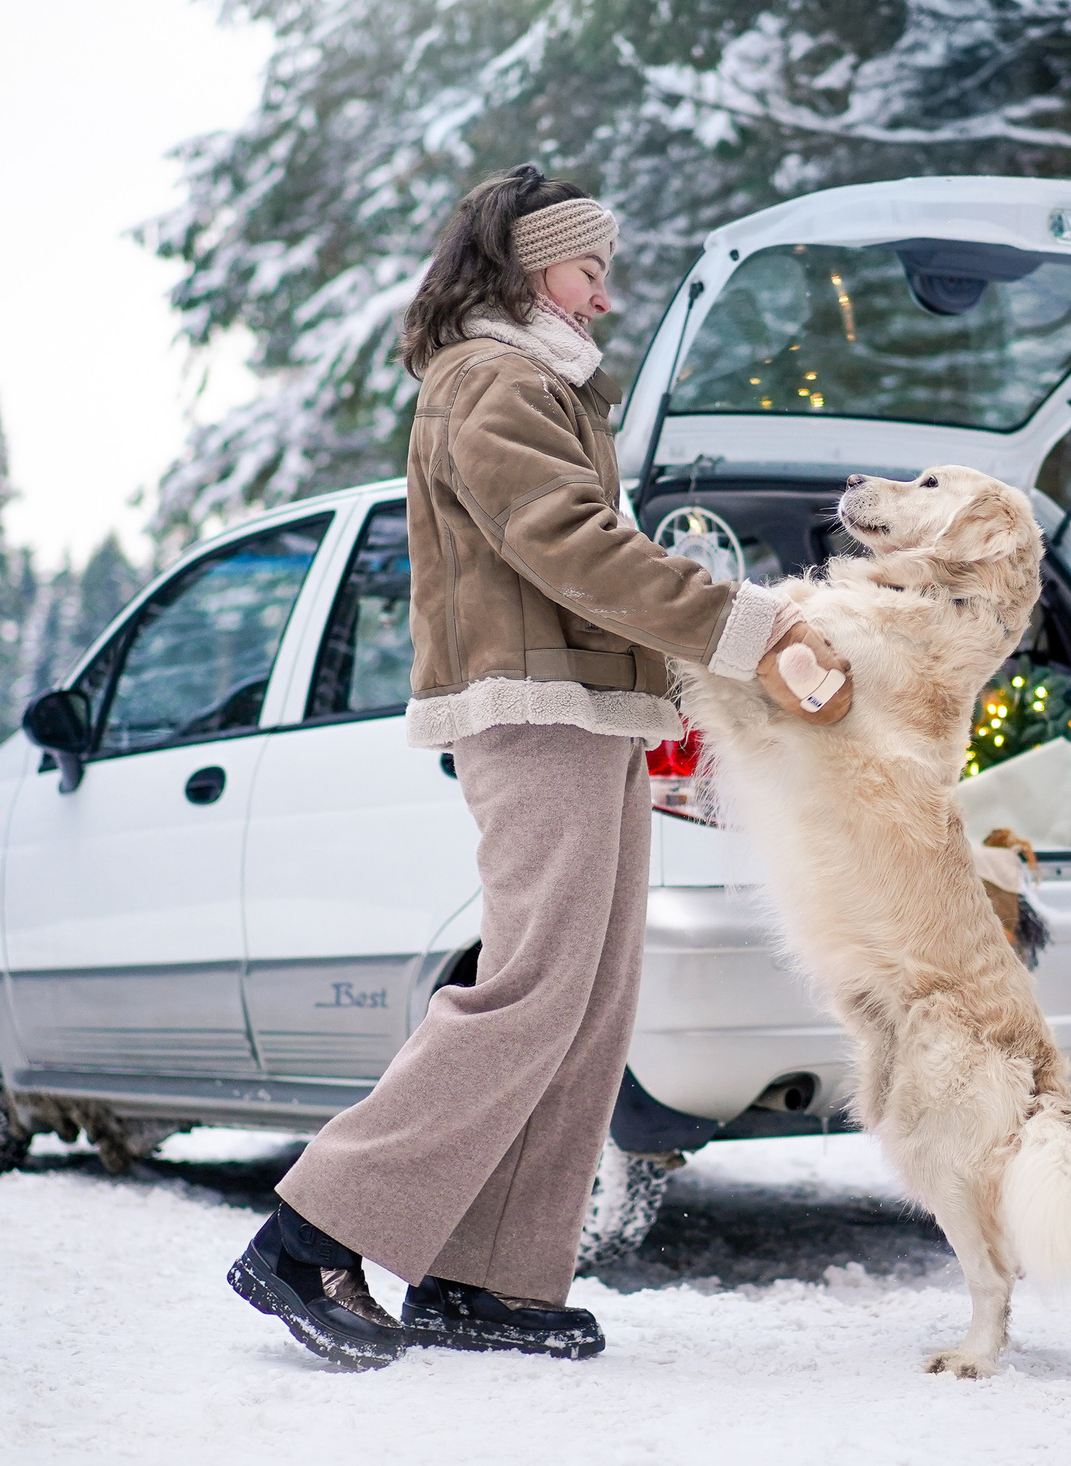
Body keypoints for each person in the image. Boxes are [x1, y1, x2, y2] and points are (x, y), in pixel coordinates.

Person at [228, 166, 851, 1368]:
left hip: (593, 713)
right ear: (528, 269)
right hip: (535, 718)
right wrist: (747, 625)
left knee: (588, 1004)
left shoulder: (542, 382)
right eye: (588, 270)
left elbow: (577, 561)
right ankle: (312, 1234)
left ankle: (487, 1279)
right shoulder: (489, 378)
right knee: (528, 991)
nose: (605, 297)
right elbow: (568, 545)